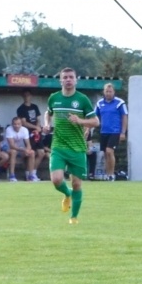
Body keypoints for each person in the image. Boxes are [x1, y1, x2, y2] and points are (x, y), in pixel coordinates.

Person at [47, 68, 97, 222]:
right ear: (60, 80)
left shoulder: (82, 100)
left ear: (76, 80)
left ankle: (73, 218)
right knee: (56, 180)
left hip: (77, 147)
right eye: (65, 77)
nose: (68, 80)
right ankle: (67, 194)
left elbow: (95, 121)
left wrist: (80, 121)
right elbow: (48, 112)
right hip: (59, 146)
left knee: (76, 184)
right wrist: (46, 123)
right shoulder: (54, 98)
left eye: (71, 77)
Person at [95, 82, 127, 181]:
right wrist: (88, 129)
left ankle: (111, 174)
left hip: (115, 131)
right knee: (105, 153)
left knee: (110, 151)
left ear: (114, 92)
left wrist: (123, 132)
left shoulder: (119, 103)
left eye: (110, 91)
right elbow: (94, 116)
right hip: (104, 131)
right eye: (107, 91)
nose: (108, 93)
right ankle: (107, 174)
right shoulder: (100, 103)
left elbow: (124, 117)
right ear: (104, 92)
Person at [5, 115, 36, 181]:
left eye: (18, 124)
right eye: (15, 124)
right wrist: (23, 149)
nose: (17, 126)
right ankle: (12, 175)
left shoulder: (25, 130)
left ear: (21, 124)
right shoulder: (9, 129)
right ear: (12, 124)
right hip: (7, 148)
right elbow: (12, 145)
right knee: (14, 152)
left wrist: (28, 150)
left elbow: (28, 144)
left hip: (20, 149)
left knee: (32, 152)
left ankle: (31, 175)